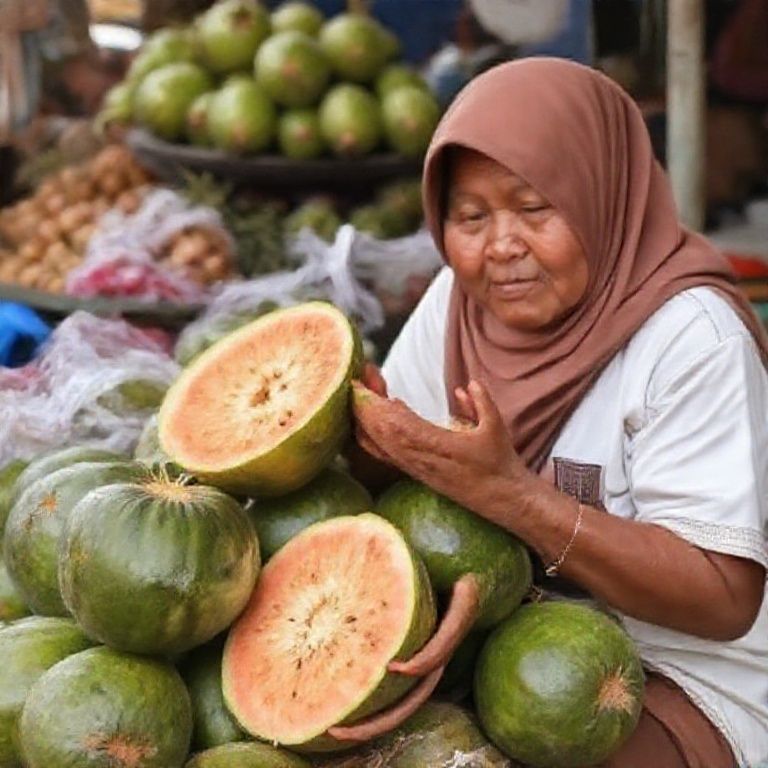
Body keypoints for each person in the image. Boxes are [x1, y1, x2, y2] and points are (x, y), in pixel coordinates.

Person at [350, 58, 768, 767]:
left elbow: (725, 596)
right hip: (499, 649)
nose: (502, 246)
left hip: (687, 673)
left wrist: (514, 497)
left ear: (601, 193)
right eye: (471, 217)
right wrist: (362, 433)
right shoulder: (457, 308)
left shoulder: (691, 338)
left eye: (535, 208)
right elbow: (407, 487)